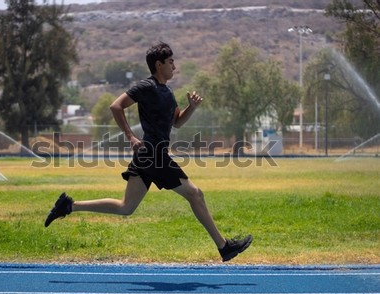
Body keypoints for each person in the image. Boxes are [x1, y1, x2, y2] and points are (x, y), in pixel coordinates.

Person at [45, 42, 252, 262]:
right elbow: (116, 106)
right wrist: (131, 136)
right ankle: (224, 246)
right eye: (170, 61)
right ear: (158, 64)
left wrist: (191, 107)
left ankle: (69, 205)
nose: (175, 66)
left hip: (149, 155)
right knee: (195, 194)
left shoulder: (168, 92)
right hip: (153, 154)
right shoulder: (146, 86)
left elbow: (177, 123)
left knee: (126, 207)